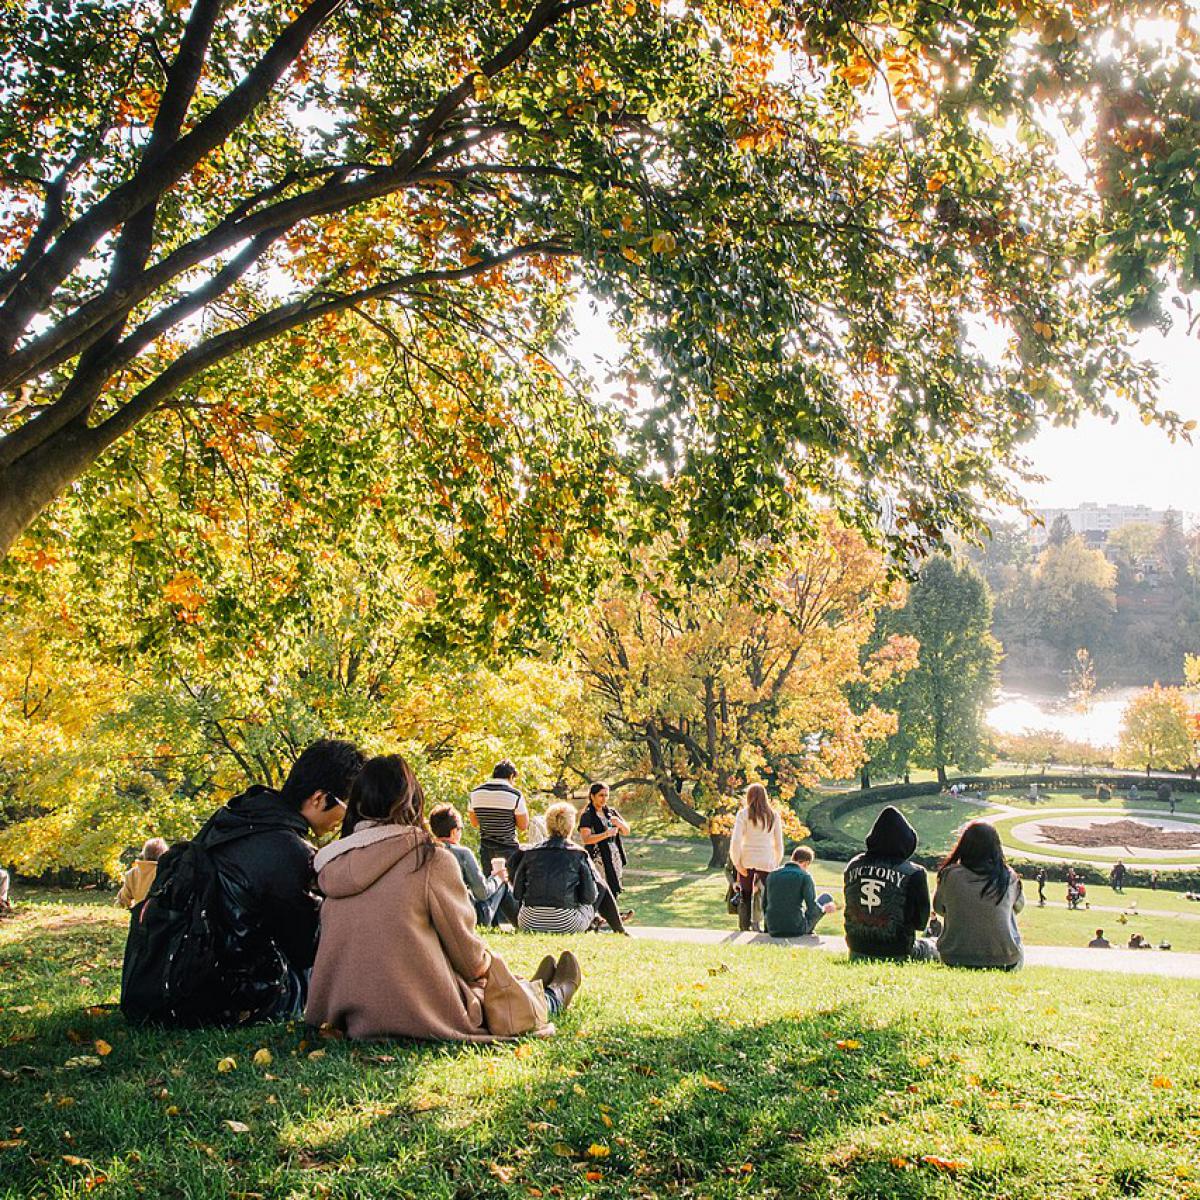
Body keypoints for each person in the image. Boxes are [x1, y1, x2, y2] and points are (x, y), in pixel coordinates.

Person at [307, 756, 579, 1041]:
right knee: (495, 996)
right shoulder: (428, 859)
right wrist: (494, 972)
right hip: (419, 1011)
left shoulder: (332, 865)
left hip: (345, 1014)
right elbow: (471, 960)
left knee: (493, 984)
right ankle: (553, 994)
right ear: (412, 802)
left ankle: (526, 986)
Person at [120, 738, 364, 1027]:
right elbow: (305, 948)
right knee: (319, 972)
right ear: (320, 798)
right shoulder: (289, 851)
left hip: (177, 979)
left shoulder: (233, 817)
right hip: (230, 995)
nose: (346, 819)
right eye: (347, 807)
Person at [511, 802, 629, 934]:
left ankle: (597, 922)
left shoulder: (529, 852)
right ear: (571, 825)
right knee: (601, 884)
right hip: (565, 923)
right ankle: (619, 929)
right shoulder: (578, 854)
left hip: (528, 921)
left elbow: (517, 893)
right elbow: (589, 897)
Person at [843, 806, 936, 961]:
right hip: (898, 951)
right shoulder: (914, 873)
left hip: (857, 949)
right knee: (933, 946)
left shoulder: (853, 865)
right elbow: (920, 922)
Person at [933, 821, 1025, 970]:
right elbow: (1018, 907)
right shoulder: (1008, 877)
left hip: (954, 957)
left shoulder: (949, 875)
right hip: (1005, 961)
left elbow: (939, 908)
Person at [428, 803, 520, 928]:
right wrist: (498, 877)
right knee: (502, 884)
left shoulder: (426, 852)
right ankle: (521, 922)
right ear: (454, 831)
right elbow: (482, 893)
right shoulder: (462, 853)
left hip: (436, 916)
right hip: (468, 917)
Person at [729, 784, 784, 932]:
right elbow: (778, 844)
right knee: (769, 896)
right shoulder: (774, 816)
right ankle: (769, 927)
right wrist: (776, 862)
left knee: (744, 896)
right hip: (767, 860)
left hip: (747, 860)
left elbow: (736, 841)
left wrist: (737, 863)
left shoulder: (743, 814)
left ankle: (744, 927)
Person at [469, 760, 529, 874]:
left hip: (486, 848)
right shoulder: (515, 795)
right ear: (511, 776)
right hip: (508, 848)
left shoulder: (475, 793)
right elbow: (523, 825)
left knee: (490, 885)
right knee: (510, 885)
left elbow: (474, 822)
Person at [763, 847, 836, 938]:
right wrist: (824, 909)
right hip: (796, 928)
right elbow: (812, 907)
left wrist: (767, 928)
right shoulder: (805, 876)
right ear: (806, 863)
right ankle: (809, 930)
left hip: (773, 928)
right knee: (826, 898)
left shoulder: (772, 875)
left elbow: (765, 904)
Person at [577, 782, 630, 901]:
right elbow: (586, 839)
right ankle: (601, 916)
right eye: (601, 795)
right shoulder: (587, 816)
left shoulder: (611, 813)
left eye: (606, 795)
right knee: (601, 889)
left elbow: (626, 831)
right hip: (598, 858)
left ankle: (613, 914)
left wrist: (620, 824)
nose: (604, 799)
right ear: (592, 796)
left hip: (614, 856)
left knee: (613, 886)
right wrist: (606, 834)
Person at [116, 837, 169, 909]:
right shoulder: (167, 871)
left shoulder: (132, 873)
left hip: (141, 916)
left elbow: (124, 900)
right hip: (163, 916)